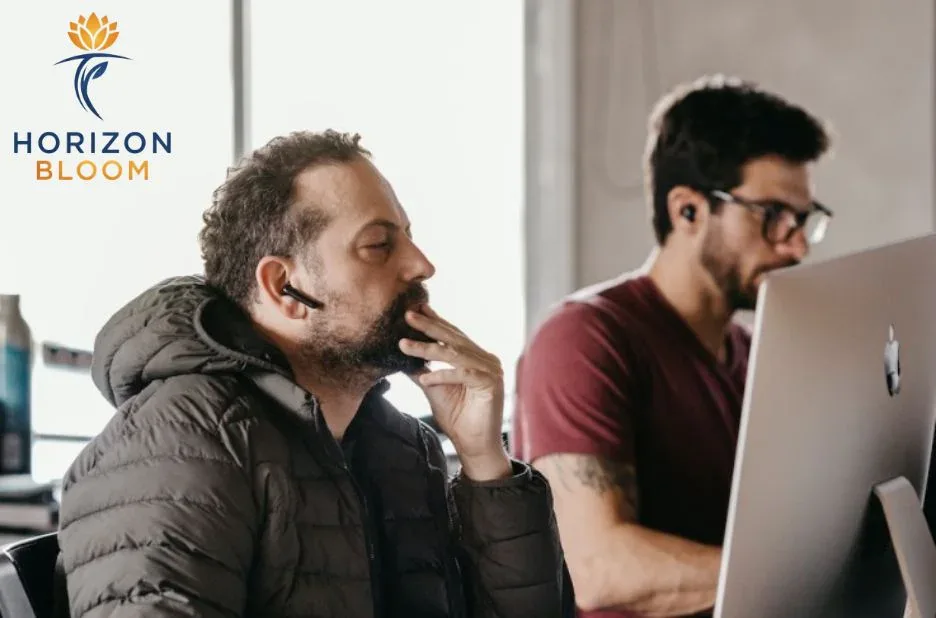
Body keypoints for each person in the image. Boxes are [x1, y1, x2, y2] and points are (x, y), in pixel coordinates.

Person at [58, 130, 564, 618]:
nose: (421, 265)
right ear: (284, 287)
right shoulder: (182, 442)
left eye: (409, 238)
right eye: (379, 245)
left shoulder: (401, 449)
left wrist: (484, 461)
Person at [511, 75, 833, 618]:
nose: (797, 245)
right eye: (773, 216)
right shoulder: (583, 339)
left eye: (803, 220)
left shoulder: (756, 355)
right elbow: (598, 570)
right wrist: (812, 577)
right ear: (688, 210)